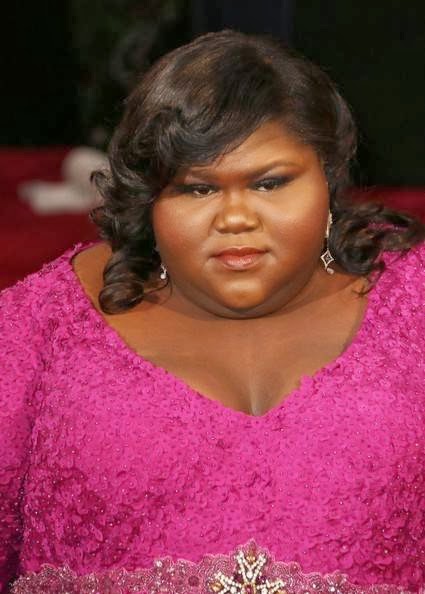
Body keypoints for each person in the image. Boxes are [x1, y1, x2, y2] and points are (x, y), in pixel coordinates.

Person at [1, 30, 424, 594]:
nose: (235, 217)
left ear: (327, 176)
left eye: (269, 183)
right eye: (198, 189)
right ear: (149, 199)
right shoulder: (39, 326)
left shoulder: (413, 306)